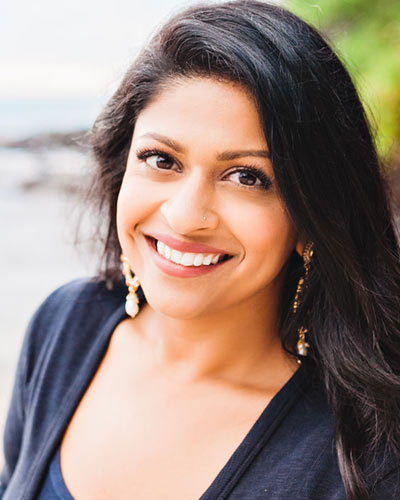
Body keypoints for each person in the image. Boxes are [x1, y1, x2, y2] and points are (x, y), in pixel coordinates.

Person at [1, 1, 400, 499]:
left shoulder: (367, 456)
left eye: (247, 177)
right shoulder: (65, 327)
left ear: (312, 217)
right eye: (161, 159)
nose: (187, 216)